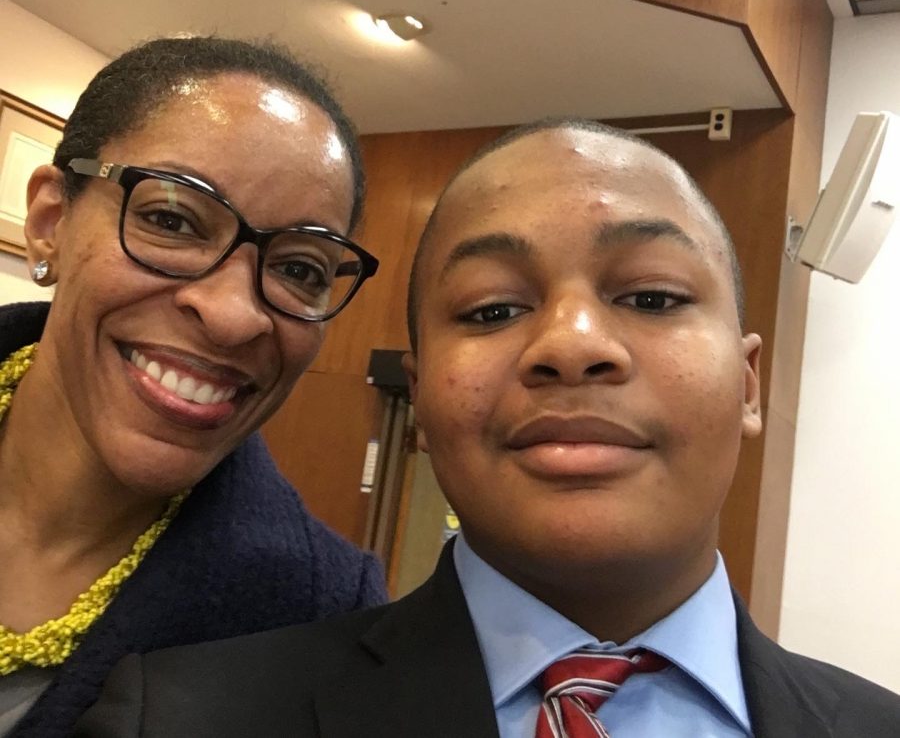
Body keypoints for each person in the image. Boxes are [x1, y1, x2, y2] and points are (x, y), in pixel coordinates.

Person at [75, 119, 900, 737]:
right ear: (424, 399)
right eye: (493, 308)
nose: (572, 345)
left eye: (651, 297)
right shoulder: (183, 719)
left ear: (748, 384)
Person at [0, 36, 388, 737]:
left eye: (301, 269)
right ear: (51, 222)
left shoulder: (323, 624)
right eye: (172, 220)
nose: (235, 315)